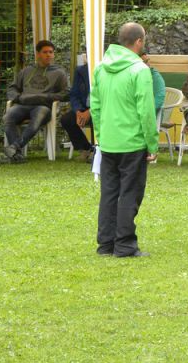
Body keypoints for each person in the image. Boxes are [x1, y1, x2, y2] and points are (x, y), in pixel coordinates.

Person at [91, 22, 159, 258]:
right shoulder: (140, 70)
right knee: (129, 193)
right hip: (132, 143)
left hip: (109, 141)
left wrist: (101, 134)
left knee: (109, 193)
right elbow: (147, 112)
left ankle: (106, 244)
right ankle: (125, 244)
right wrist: (152, 144)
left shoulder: (100, 67)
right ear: (139, 41)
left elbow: (95, 106)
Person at [4, 40, 68, 163]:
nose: (49, 55)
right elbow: (12, 88)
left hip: (43, 106)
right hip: (23, 105)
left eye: (51, 52)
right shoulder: (26, 71)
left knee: (37, 119)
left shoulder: (59, 73)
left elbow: (66, 93)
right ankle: (16, 155)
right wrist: (17, 98)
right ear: (37, 54)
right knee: (8, 117)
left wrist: (47, 97)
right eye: (45, 52)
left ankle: (15, 147)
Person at [60, 63, 94, 162]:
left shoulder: (105, 68)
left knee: (95, 118)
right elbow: (74, 94)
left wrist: (90, 111)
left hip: (99, 108)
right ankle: (85, 148)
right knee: (67, 119)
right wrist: (78, 111)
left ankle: (96, 150)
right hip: (83, 107)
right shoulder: (80, 70)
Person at [140, 52, 166, 117]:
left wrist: (146, 113)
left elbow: (159, 98)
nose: (147, 64)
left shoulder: (155, 76)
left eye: (147, 61)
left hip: (151, 115)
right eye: (144, 62)